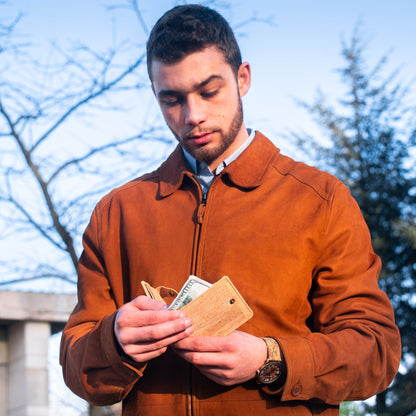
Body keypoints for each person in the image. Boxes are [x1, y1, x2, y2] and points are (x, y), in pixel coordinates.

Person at [60, 4, 401, 415]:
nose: (193, 116)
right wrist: (113, 342)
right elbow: (77, 365)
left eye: (209, 91)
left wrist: (269, 358)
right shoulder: (116, 213)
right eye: (172, 99)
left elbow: (377, 352)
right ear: (155, 95)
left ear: (242, 78)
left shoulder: (320, 200)